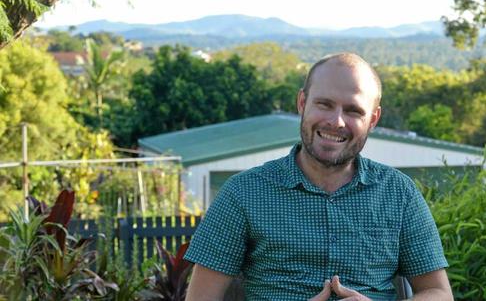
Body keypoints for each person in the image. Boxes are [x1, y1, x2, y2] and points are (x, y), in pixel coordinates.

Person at [184, 53, 452, 300]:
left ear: (372, 119)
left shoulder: (399, 193)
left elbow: (438, 292)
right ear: (302, 103)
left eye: (353, 110)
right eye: (325, 104)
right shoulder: (242, 193)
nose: (336, 121)